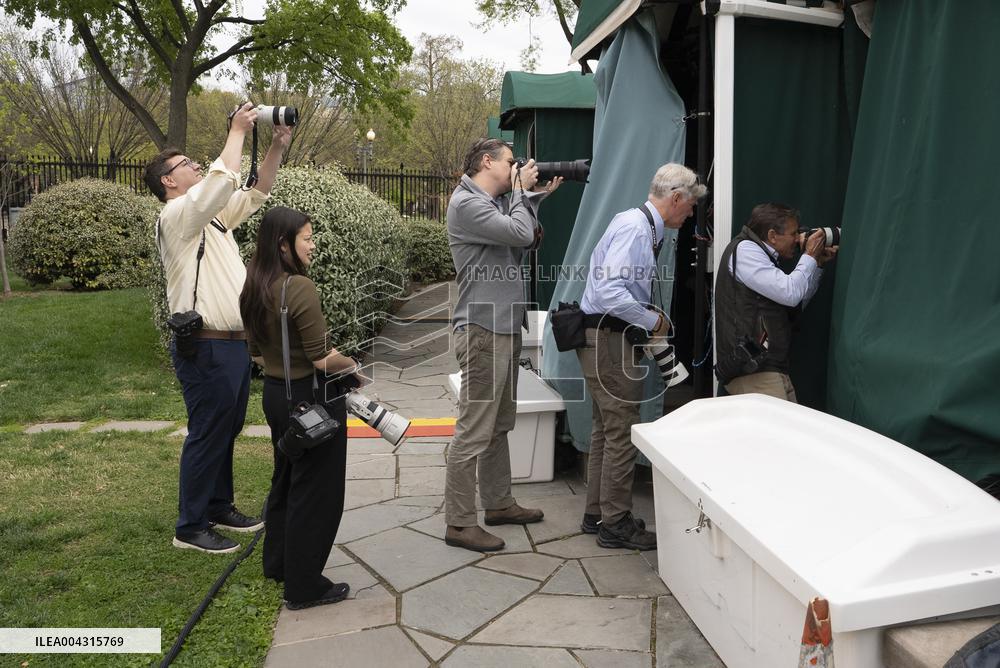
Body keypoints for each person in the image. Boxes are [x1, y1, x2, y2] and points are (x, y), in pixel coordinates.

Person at [144, 103, 291, 554]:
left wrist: (277, 147)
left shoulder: (210, 220)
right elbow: (222, 178)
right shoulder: (177, 218)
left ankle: (219, 505)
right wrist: (237, 131)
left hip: (230, 345)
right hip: (205, 345)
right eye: (185, 165)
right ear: (169, 181)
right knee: (208, 430)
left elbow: (255, 191)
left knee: (225, 429)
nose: (193, 166)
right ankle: (189, 527)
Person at [577, 163, 707, 551]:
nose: (689, 215)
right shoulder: (637, 229)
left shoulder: (630, 221)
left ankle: (597, 512)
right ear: (676, 198)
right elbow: (609, 293)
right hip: (609, 340)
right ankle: (614, 523)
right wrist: (654, 320)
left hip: (599, 337)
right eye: (689, 207)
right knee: (620, 432)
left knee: (605, 428)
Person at [444, 138, 562, 552]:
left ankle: (497, 504)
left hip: (502, 327)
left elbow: (527, 239)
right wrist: (520, 195)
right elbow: (517, 231)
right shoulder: (467, 203)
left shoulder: (492, 203)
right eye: (511, 162)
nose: (517, 167)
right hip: (481, 331)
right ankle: (459, 523)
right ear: (487, 161)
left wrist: (532, 199)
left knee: (499, 425)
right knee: (474, 430)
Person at [240, 206, 359, 610]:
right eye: (306, 238)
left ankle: (278, 564)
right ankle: (305, 585)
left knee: (287, 478)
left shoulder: (253, 286)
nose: (312, 245)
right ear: (284, 245)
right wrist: (354, 365)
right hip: (313, 397)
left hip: (276, 395)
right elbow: (324, 358)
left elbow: (255, 354)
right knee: (318, 493)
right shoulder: (298, 288)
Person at [715, 203, 838, 402]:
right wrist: (808, 256)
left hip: (769, 368)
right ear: (772, 236)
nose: (799, 238)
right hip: (754, 371)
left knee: (786, 432)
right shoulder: (746, 250)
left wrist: (817, 263)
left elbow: (794, 302)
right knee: (775, 434)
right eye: (794, 233)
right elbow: (790, 293)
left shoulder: (763, 257)